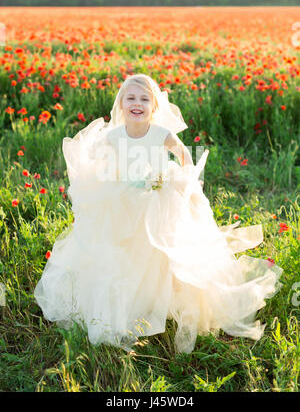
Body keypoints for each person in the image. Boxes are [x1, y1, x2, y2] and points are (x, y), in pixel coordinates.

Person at [34, 74, 283, 354]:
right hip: (126, 201)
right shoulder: (114, 136)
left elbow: (183, 154)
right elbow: (100, 160)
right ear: (121, 104)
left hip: (159, 197)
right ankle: (135, 301)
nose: (137, 104)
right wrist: (100, 175)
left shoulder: (160, 134)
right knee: (126, 250)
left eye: (144, 99)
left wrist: (187, 179)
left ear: (154, 107)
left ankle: (167, 297)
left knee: (163, 248)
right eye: (131, 98)